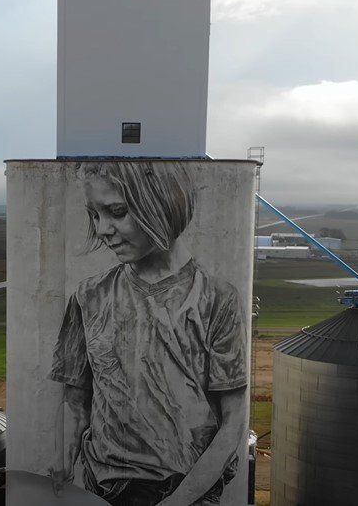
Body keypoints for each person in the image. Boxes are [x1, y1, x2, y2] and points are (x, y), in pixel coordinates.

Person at [49, 161, 248, 506]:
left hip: (187, 492)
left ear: (163, 204)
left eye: (117, 212)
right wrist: (64, 452)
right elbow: (75, 400)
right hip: (105, 489)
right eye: (94, 215)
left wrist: (179, 501)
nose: (102, 229)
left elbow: (234, 423)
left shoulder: (216, 298)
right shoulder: (89, 296)